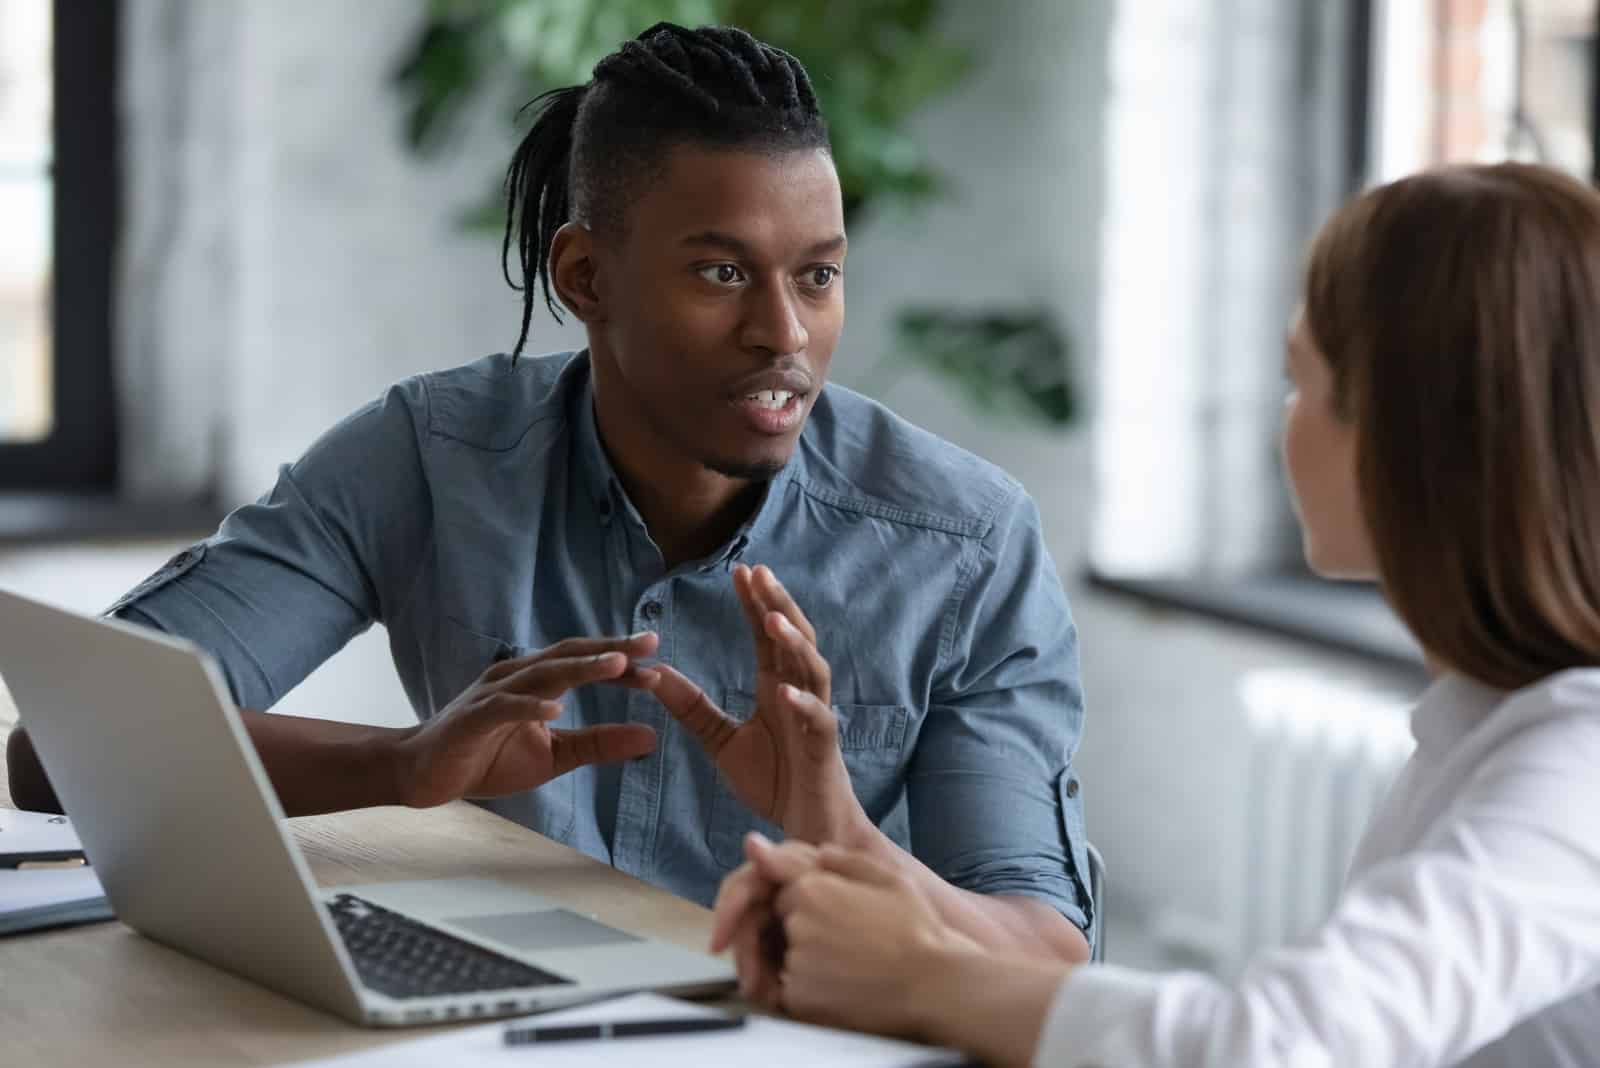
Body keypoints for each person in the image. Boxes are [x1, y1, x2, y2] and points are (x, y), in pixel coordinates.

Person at [4, 24, 1092, 961]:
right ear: (584, 278)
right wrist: (402, 765)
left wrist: (838, 827)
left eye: (816, 273)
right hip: (490, 1020)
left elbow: (1040, 954)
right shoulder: (427, 455)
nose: (784, 334)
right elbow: (59, 753)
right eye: (721, 272)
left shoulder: (964, 544)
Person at [711, 162, 1600, 1067]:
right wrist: (849, 850)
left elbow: (1279, 1046)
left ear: (1413, 431)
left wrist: (918, 975)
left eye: (1303, 382)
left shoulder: (1576, 767)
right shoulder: (1489, 725)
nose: (1278, 427)